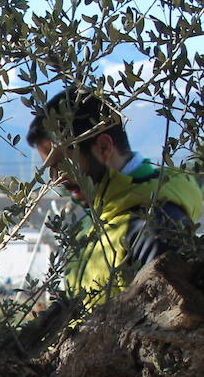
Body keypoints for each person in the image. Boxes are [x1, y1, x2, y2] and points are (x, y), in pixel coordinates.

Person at [27, 89, 203, 307]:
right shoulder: (96, 218)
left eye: (62, 164)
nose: (56, 179)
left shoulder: (156, 225)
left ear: (103, 147)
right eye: (50, 168)